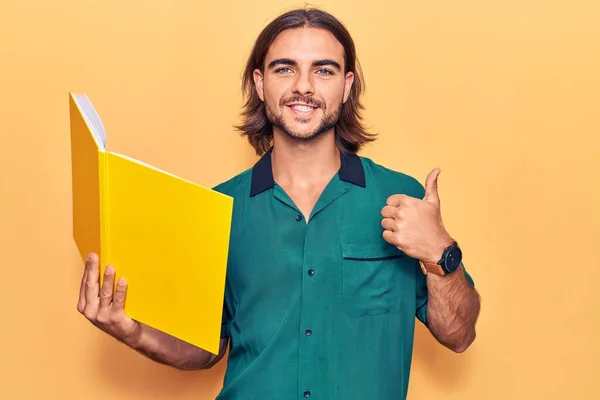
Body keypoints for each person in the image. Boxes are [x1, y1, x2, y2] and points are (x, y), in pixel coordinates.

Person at [77, 7, 481, 400]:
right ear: (259, 83)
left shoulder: (399, 198)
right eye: (284, 68)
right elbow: (205, 349)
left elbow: (459, 335)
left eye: (323, 70)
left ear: (346, 85)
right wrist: (132, 331)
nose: (303, 86)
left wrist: (439, 252)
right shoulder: (218, 207)